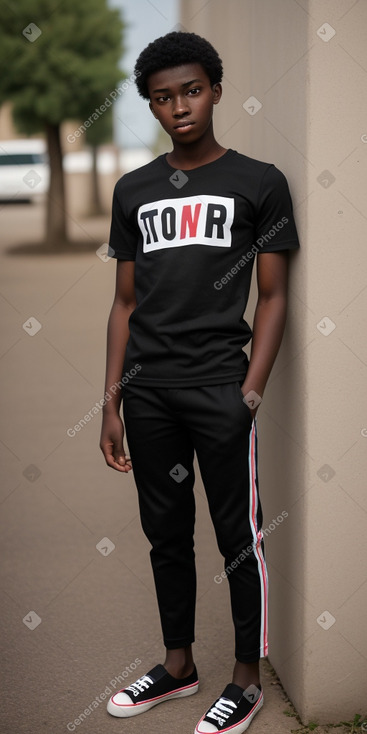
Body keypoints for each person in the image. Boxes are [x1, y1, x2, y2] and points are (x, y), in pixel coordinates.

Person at [100, 30, 300, 734]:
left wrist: (249, 393)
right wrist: (111, 403)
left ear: (213, 90)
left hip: (219, 389)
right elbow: (124, 304)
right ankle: (178, 666)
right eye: (163, 97)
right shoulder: (134, 190)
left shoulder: (258, 181)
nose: (179, 106)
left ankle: (245, 679)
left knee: (237, 536)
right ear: (149, 107)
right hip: (148, 392)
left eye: (190, 91)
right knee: (165, 535)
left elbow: (273, 297)